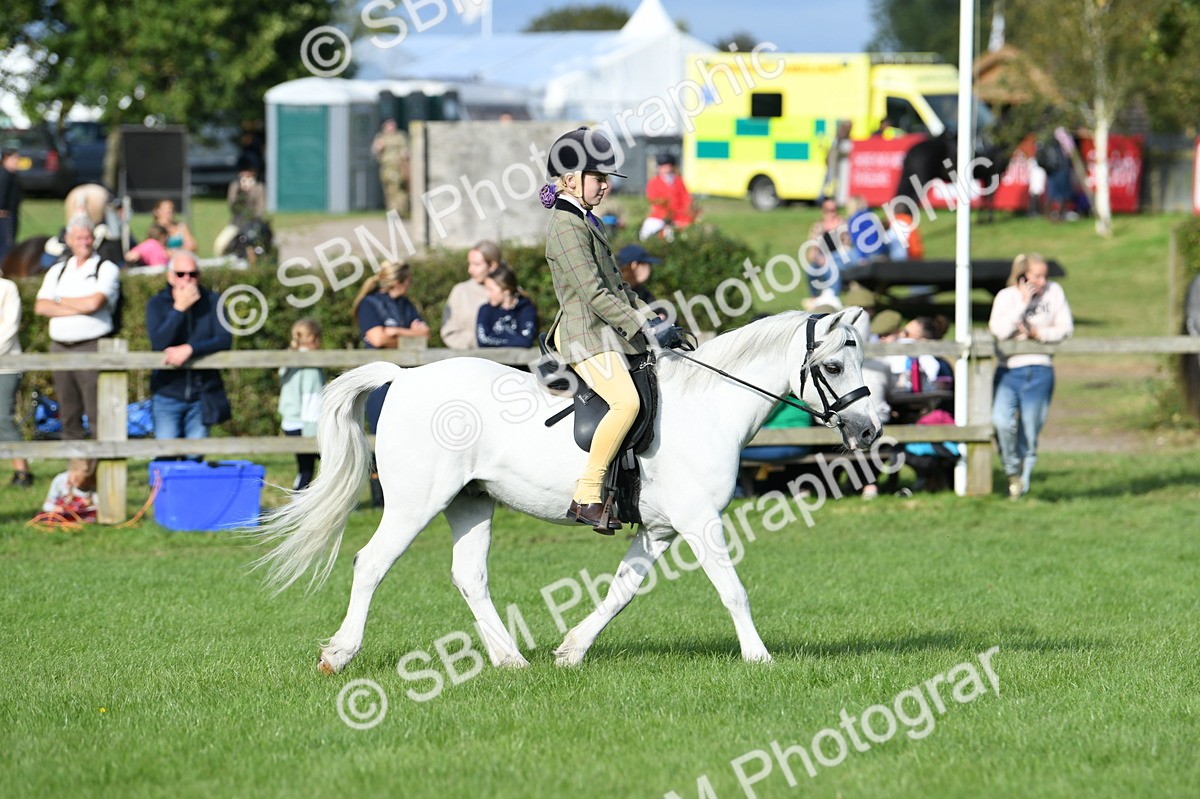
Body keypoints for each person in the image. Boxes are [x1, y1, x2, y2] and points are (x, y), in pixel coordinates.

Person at [541, 126, 683, 532]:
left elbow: (619, 288)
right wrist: (641, 324)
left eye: (606, 179)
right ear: (571, 180)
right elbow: (592, 294)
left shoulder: (588, 221)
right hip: (584, 336)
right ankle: (587, 494)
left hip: (608, 333)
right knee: (626, 403)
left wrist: (656, 320)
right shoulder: (566, 226)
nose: (605, 186)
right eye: (598, 178)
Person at [989, 253, 1074, 498]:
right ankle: (1011, 468)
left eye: (1045, 275)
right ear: (1023, 275)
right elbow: (1000, 331)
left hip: (1040, 369)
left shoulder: (1054, 292)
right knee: (1001, 421)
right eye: (1037, 275)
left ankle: (1021, 485)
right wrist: (1023, 303)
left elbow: (1065, 327)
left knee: (1030, 429)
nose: (1042, 281)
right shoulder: (1006, 297)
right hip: (1009, 370)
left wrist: (1040, 334)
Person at [34, 216, 121, 451]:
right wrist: (78, 305)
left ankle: (100, 467)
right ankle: (75, 469)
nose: (85, 242)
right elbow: (41, 306)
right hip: (61, 347)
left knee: (96, 411)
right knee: (68, 411)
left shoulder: (105, 268)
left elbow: (95, 302)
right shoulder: (58, 270)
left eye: (88, 237)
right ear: (69, 241)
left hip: (91, 346)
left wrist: (59, 301)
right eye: (79, 237)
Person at [353, 260, 430, 506]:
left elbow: (423, 335)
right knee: (381, 436)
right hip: (379, 380)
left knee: (410, 434)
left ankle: (407, 493)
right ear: (400, 282)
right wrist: (407, 334)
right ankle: (380, 498)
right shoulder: (370, 304)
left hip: (406, 377)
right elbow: (376, 338)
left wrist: (394, 333)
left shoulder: (406, 305)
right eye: (408, 280)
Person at [145, 251, 233, 443]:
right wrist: (179, 309)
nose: (187, 279)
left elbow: (225, 339)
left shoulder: (213, 301)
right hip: (166, 392)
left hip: (202, 393)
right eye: (180, 274)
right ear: (170, 276)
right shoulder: (157, 304)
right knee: (166, 452)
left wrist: (191, 349)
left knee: (196, 455)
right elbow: (159, 342)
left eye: (192, 274)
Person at [279, 319, 324, 491]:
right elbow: (311, 399)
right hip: (306, 424)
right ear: (313, 339)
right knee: (328, 464)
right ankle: (302, 499)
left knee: (305, 467)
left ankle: (299, 497)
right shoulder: (310, 365)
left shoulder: (289, 360)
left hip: (290, 423)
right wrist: (313, 432)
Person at [0, 274, 31, 486]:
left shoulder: (7, 287)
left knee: (2, 417)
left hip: (5, 365)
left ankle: (22, 472)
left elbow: (10, 327)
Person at [441, 240, 500, 350]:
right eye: (469, 263)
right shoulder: (460, 291)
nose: (470, 270)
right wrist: (480, 340)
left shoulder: (510, 292)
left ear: (493, 265)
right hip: (468, 361)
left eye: (476, 264)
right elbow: (448, 333)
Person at [214, 156, 269, 262]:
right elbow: (232, 205)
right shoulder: (235, 186)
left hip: (253, 224)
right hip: (237, 223)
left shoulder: (259, 187)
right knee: (220, 244)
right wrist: (240, 190)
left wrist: (251, 191)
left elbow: (260, 209)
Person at [476, 263, 538, 348]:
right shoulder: (485, 310)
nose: (488, 295)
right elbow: (483, 340)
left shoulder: (526, 309)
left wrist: (496, 338)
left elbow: (526, 341)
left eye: (491, 289)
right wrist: (513, 340)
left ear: (506, 291)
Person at [638, 153, 696, 241]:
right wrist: (666, 216)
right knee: (645, 233)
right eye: (662, 167)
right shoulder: (654, 183)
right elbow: (654, 202)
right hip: (659, 216)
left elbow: (686, 200)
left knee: (676, 235)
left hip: (678, 216)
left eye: (667, 166)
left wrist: (683, 215)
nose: (665, 169)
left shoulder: (679, 182)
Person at [804, 199, 848, 303]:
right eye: (827, 210)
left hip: (840, 258)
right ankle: (814, 298)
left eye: (833, 209)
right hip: (821, 259)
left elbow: (847, 247)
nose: (830, 213)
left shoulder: (844, 224)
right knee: (811, 268)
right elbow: (811, 252)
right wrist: (818, 257)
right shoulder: (818, 227)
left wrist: (829, 258)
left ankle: (834, 298)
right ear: (822, 211)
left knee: (832, 266)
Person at [372, 119, 410, 217]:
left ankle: (401, 210)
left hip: (399, 168)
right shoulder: (381, 137)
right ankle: (393, 211)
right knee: (390, 191)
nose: (390, 128)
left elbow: (405, 152)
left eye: (392, 125)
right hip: (387, 169)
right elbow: (376, 151)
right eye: (388, 126)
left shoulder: (400, 136)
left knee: (400, 190)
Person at [0, 148, 21, 262]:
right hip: (5, 216)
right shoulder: (4, 175)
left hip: (11, 213)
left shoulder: (12, 175)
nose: (17, 161)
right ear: (5, 159)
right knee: (6, 243)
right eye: (14, 158)